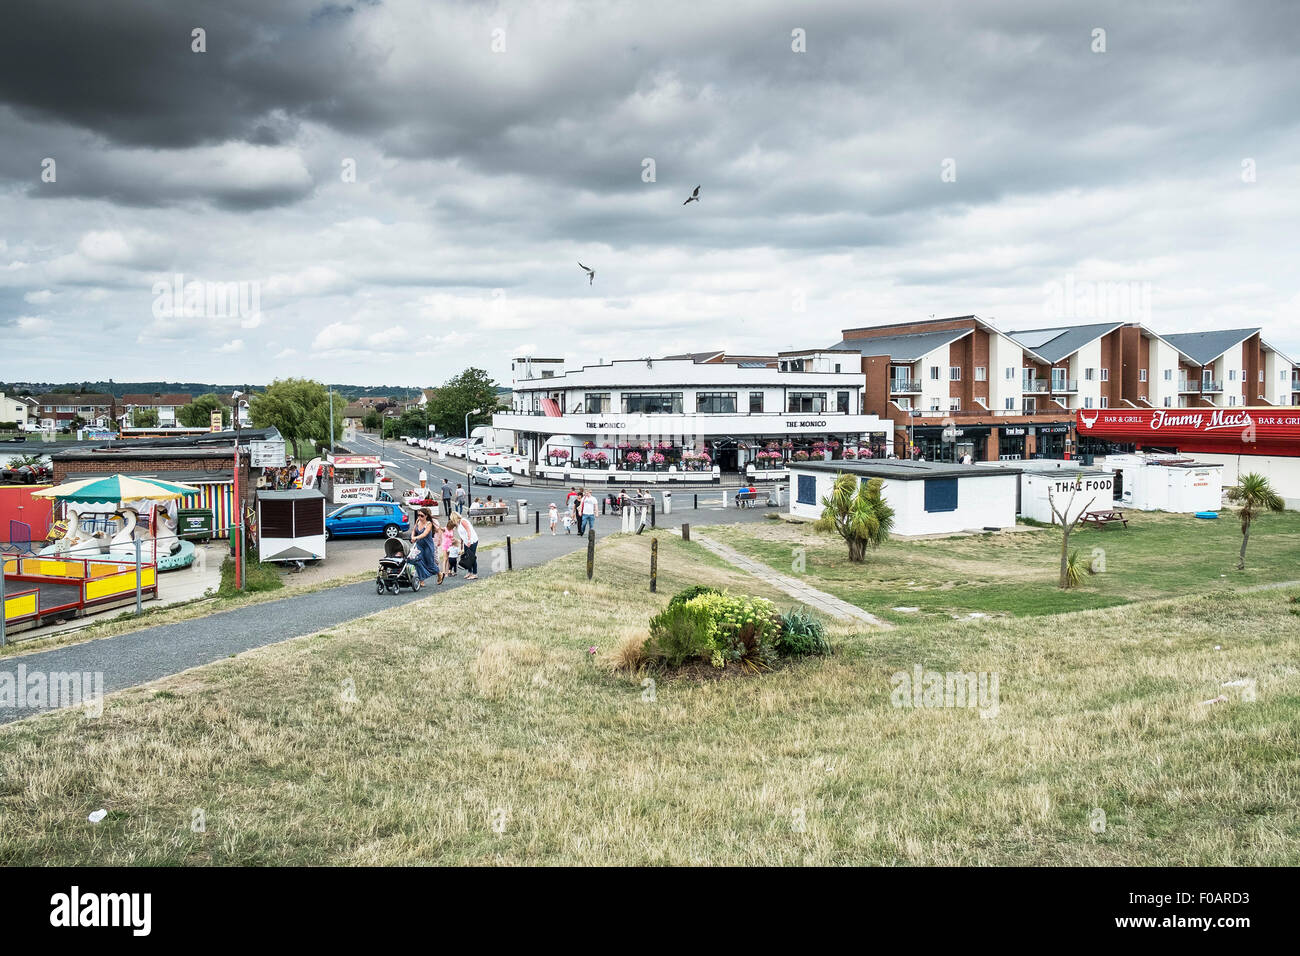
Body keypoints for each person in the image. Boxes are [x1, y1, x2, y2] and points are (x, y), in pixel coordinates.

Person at [451, 512, 479, 580]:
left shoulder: (463, 521)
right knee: (467, 557)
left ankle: (475, 574)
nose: (453, 522)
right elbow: (462, 535)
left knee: (471, 557)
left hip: (472, 541)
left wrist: (469, 540)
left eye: (452, 520)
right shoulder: (458, 524)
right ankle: (469, 572)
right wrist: (462, 544)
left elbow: (468, 531)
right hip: (466, 542)